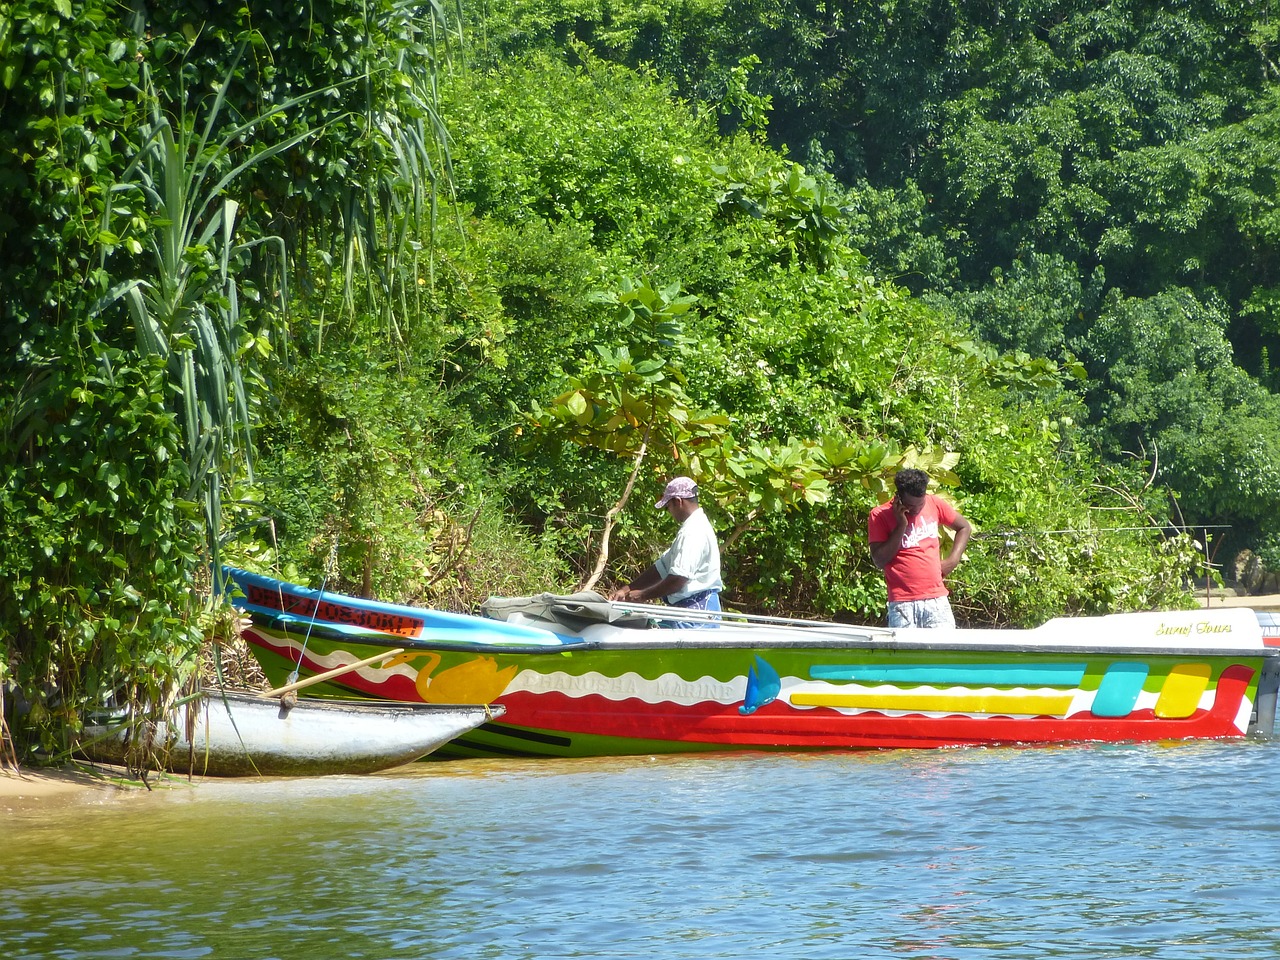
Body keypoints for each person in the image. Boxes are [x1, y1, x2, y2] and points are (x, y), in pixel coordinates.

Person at [610, 476, 723, 627]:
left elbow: (679, 578)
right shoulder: (694, 526)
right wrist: (627, 589)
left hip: (696, 614)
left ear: (678, 501)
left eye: (668, 506)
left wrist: (643, 595)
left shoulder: (692, 532)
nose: (669, 511)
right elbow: (661, 568)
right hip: (689, 611)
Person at [867, 467, 972, 629]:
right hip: (902, 604)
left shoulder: (934, 503)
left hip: (936, 601)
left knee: (944, 652)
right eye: (910, 505)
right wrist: (901, 525)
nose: (916, 510)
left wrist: (953, 560)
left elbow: (964, 527)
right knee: (905, 654)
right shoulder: (879, 515)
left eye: (920, 504)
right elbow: (879, 560)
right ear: (898, 497)